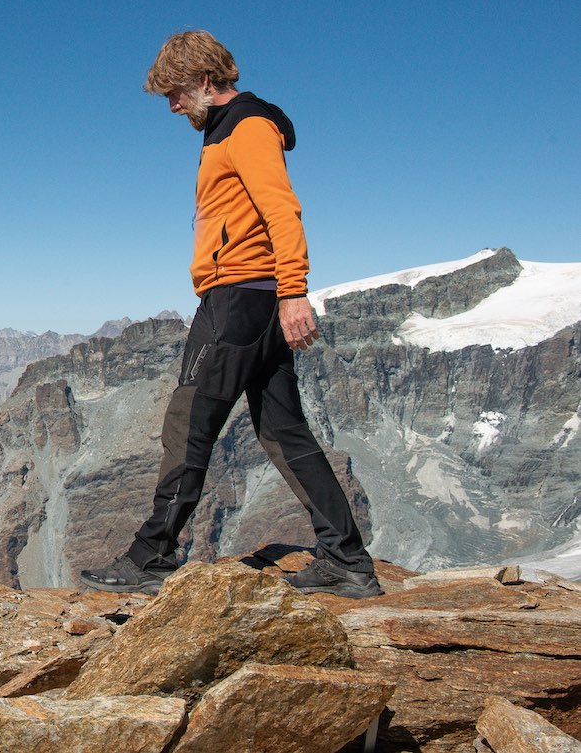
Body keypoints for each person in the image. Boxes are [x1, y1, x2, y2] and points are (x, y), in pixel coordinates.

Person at [79, 30, 381, 599]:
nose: (171, 106)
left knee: (187, 423)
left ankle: (152, 556)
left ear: (204, 81)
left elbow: (281, 207)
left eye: (174, 93)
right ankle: (348, 564)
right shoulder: (230, 130)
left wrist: (294, 291)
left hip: (239, 297)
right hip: (256, 298)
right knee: (284, 431)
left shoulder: (246, 127)